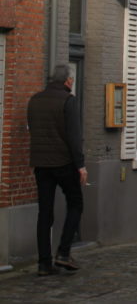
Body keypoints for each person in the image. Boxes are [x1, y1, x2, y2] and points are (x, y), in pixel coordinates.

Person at [27, 64, 86, 276]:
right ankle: (63, 252)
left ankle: (44, 263)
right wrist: (80, 165)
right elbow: (74, 136)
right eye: (71, 80)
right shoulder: (68, 101)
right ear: (67, 81)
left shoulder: (35, 100)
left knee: (45, 212)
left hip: (41, 165)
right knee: (76, 203)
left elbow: (32, 128)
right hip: (63, 163)